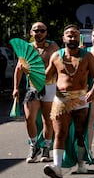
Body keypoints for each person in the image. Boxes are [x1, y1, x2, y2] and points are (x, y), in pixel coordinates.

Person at [43, 24, 94, 178]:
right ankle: (57, 167)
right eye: (69, 35)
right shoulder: (56, 56)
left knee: (80, 133)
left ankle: (81, 163)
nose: (72, 38)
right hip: (61, 99)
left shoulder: (87, 56)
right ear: (64, 38)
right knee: (60, 133)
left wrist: (92, 92)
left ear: (79, 38)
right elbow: (46, 77)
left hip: (81, 98)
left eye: (75, 35)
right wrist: (33, 72)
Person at [12, 22, 59, 163]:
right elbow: (19, 69)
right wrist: (15, 88)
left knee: (48, 119)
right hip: (32, 87)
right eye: (36, 30)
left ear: (46, 32)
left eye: (42, 30)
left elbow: (60, 65)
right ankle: (33, 146)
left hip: (50, 86)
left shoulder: (53, 47)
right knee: (29, 118)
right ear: (31, 32)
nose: (39, 33)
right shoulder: (27, 48)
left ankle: (46, 148)